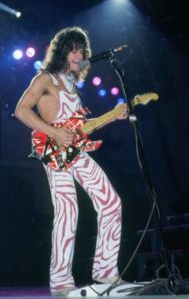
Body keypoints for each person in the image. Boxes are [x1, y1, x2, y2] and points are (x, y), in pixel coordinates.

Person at [15, 26, 128, 296]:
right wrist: (54, 132)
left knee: (111, 202)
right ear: (62, 52)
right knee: (68, 213)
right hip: (54, 153)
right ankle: (61, 283)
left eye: (81, 50)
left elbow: (79, 127)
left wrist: (113, 115)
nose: (78, 55)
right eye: (73, 50)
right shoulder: (45, 79)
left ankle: (104, 273)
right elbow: (21, 110)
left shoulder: (74, 87)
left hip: (76, 152)